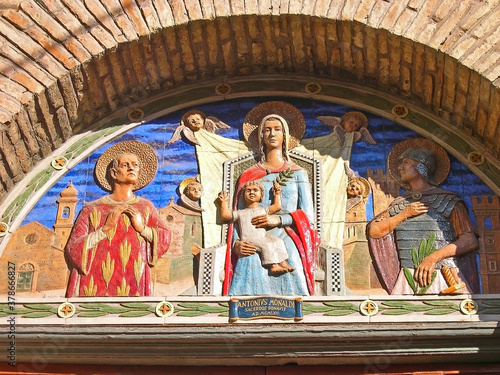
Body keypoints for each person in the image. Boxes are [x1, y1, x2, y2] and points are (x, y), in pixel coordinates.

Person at [366, 140, 479, 294]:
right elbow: (374, 231)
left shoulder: (449, 201)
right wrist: (404, 214)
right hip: (408, 277)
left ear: (421, 167)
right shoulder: (400, 204)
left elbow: (469, 241)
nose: (399, 167)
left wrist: (432, 258)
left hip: (443, 275)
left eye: (406, 162)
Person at [223, 114, 318, 296]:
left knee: (292, 265)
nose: (272, 133)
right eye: (267, 130)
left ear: (285, 136)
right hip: (251, 237)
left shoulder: (298, 174)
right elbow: (238, 217)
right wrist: (237, 244)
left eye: (277, 129)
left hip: (286, 235)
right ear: (261, 136)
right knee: (247, 264)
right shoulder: (248, 176)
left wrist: (278, 219)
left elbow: (308, 217)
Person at [65, 141, 171, 297]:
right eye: (125, 165)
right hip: (94, 280)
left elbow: (165, 236)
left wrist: (142, 228)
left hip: (135, 277)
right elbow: (73, 247)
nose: (131, 168)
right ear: (114, 173)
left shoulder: (145, 206)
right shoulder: (91, 208)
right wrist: (104, 229)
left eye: (135, 165)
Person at [217, 180, 294, 275]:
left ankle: (282, 263)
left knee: (278, 241)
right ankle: (273, 266)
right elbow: (225, 216)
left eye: (255, 190)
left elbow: (277, 207)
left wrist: (277, 194)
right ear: (243, 196)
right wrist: (224, 202)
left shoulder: (263, 210)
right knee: (267, 245)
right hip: (250, 239)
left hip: (262, 236)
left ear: (261, 195)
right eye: (248, 191)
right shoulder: (241, 213)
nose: (252, 192)